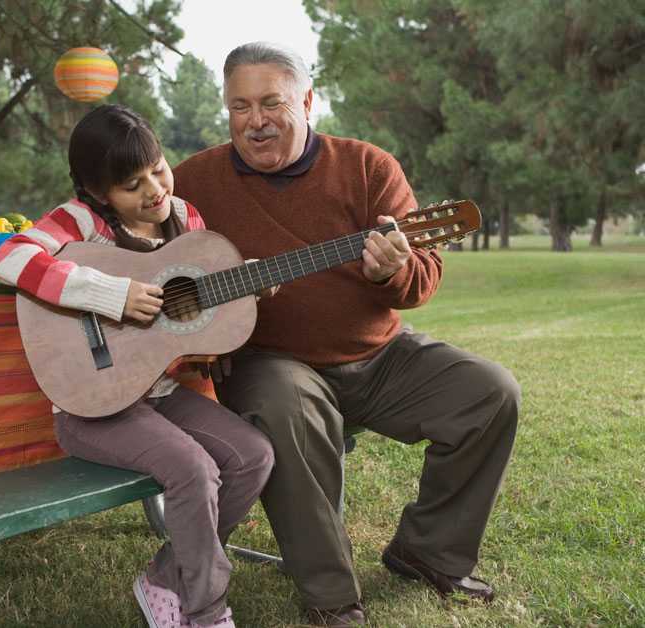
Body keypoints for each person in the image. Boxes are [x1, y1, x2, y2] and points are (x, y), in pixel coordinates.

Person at [172, 42, 520, 627]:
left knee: (490, 393)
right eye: (239, 107)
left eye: (271, 103)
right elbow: (149, 255)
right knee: (288, 404)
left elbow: (422, 280)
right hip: (270, 363)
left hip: (378, 356)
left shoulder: (368, 166)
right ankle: (331, 596)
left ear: (307, 101)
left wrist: (394, 270)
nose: (254, 121)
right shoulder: (195, 180)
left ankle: (428, 553)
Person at [0, 104, 274, 628]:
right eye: (131, 183)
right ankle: (207, 612)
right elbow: (8, 258)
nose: (153, 189)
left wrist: (246, 289)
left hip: (159, 394)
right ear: (100, 193)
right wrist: (108, 294)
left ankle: (165, 578)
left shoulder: (188, 220)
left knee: (253, 456)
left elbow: (194, 311)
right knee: (193, 469)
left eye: (158, 168)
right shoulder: (81, 221)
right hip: (91, 404)